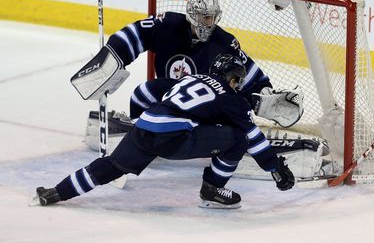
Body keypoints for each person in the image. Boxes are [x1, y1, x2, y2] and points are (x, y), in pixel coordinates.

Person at [33, 54, 295, 209]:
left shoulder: (189, 79)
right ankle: (211, 190)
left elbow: (147, 90)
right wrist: (275, 168)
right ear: (231, 78)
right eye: (237, 79)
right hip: (174, 139)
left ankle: (56, 192)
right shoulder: (231, 98)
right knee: (237, 138)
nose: (238, 84)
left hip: (144, 128)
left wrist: (135, 116)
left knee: (112, 165)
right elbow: (253, 137)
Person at [75, 0, 304, 151]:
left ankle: (213, 142)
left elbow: (248, 74)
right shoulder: (168, 26)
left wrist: (263, 95)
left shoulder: (223, 42)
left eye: (213, 17)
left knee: (229, 121)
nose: (210, 22)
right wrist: (112, 59)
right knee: (143, 93)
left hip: (205, 108)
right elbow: (134, 34)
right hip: (172, 98)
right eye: (206, 17)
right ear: (193, 15)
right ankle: (141, 137)